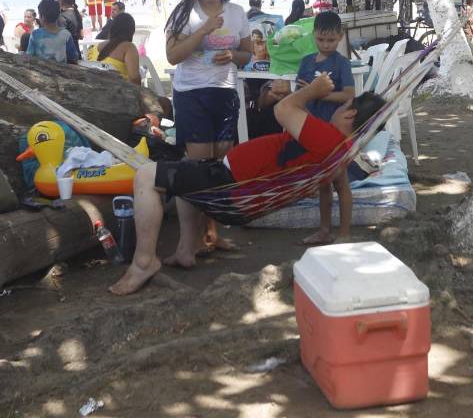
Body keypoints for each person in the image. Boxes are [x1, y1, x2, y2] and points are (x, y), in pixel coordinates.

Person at [110, 73, 386, 295]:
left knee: (146, 175)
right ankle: (185, 250)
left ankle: (144, 262)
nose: (337, 111)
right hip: (237, 191)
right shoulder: (341, 153)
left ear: (349, 115)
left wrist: (312, 90)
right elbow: (336, 189)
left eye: (342, 108)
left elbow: (283, 109)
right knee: (185, 170)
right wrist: (334, 231)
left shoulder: (327, 137)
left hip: (231, 188)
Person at [164, 0, 253, 259]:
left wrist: (232, 54)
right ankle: (192, 242)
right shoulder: (184, 12)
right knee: (199, 169)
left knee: (219, 167)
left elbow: (247, 55)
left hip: (225, 93)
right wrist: (203, 30)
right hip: (192, 94)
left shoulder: (237, 13)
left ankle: (213, 234)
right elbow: (173, 56)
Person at [294, 11, 355, 245]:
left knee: (341, 182)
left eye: (331, 40)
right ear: (314, 36)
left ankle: (344, 233)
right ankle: (324, 230)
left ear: (340, 36)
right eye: (321, 39)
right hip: (312, 127)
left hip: (335, 132)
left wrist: (321, 93)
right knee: (322, 182)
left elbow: (349, 94)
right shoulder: (306, 62)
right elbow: (299, 93)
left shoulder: (341, 63)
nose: (326, 44)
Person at [87, 12, 141, 86]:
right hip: (119, 94)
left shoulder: (96, 47)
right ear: (131, 30)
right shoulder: (129, 47)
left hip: (94, 90)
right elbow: (134, 78)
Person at [25, 0, 79, 64]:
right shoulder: (66, 34)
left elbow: (29, 57)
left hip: (41, 72)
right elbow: (73, 57)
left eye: (39, 14)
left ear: (43, 17)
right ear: (58, 15)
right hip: (62, 73)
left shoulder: (35, 35)